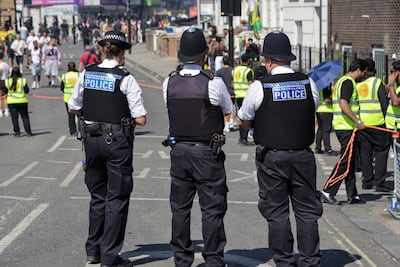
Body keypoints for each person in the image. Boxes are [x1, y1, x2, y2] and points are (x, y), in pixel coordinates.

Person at [238, 31, 322, 267]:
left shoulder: (260, 87)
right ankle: (310, 261)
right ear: (289, 57)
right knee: (307, 212)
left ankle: (284, 261)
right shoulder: (308, 82)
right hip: (303, 155)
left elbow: (244, 119)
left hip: (272, 157)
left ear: (269, 60)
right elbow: (311, 107)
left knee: (277, 212)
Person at [68, 30, 146, 267]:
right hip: (117, 143)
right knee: (117, 198)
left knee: (97, 197)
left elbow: (73, 106)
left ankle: (93, 251)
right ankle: (110, 257)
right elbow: (140, 118)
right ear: (122, 53)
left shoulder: (87, 73)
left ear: (102, 49)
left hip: (91, 141)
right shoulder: (125, 77)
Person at [162, 27, 232, 267]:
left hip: (178, 152)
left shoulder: (168, 82)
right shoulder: (214, 83)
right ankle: (213, 260)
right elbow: (228, 112)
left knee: (180, 210)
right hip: (206, 153)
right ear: (205, 56)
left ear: (182, 55)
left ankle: (182, 260)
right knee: (212, 209)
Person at [320, 58, 368, 205]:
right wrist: (357, 121)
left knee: (350, 162)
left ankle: (352, 194)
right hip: (347, 128)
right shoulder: (348, 82)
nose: (364, 75)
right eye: (364, 72)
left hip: (345, 127)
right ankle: (328, 190)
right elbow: (343, 103)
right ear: (359, 70)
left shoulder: (342, 81)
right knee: (345, 161)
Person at [356, 58, 391, 192]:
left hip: (363, 123)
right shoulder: (377, 82)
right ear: (374, 69)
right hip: (378, 123)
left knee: (365, 152)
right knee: (381, 152)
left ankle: (367, 181)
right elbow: (384, 103)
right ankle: (379, 182)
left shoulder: (358, 84)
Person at [232, 53, 254, 145]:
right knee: (246, 117)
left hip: (237, 95)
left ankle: (241, 137)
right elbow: (250, 84)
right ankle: (244, 138)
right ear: (248, 61)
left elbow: (232, 83)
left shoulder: (235, 70)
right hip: (246, 96)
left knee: (241, 116)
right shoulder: (248, 71)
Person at [4, 67, 32, 137]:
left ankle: (17, 132)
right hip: (22, 101)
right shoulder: (23, 81)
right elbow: (27, 90)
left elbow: (5, 91)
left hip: (11, 102)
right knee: (25, 117)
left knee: (14, 118)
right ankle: (28, 132)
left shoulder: (7, 81)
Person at [315, 86, 339, 156]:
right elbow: (327, 100)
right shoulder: (325, 87)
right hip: (326, 110)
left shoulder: (319, 87)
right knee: (326, 130)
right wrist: (334, 101)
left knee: (320, 129)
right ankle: (328, 149)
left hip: (319, 110)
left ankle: (318, 147)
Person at [216, 55, 235, 133]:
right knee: (232, 107)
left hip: (223, 92)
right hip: (231, 91)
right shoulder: (233, 70)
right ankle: (231, 122)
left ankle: (226, 125)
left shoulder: (219, 71)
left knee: (224, 108)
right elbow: (233, 82)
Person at [61, 62, 79, 135]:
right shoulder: (78, 75)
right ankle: (81, 130)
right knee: (80, 115)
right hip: (77, 98)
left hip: (68, 98)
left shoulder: (64, 76)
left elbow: (62, 87)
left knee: (71, 116)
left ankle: (73, 131)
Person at [0, 52, 10, 117]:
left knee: (0, 97)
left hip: (1, 81)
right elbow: (9, 72)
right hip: (6, 80)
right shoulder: (6, 64)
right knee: (6, 97)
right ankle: (6, 110)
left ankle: (0, 111)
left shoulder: (0, 65)